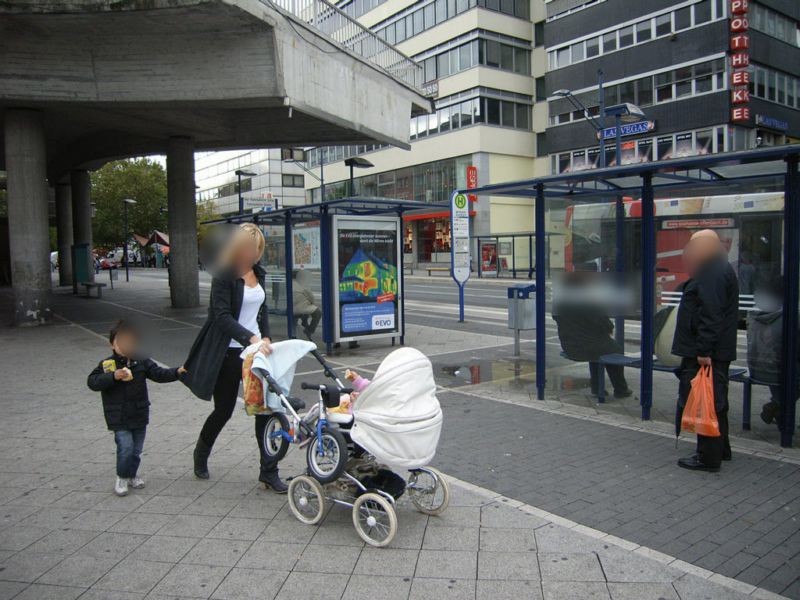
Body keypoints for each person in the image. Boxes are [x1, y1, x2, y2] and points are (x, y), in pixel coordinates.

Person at [182, 223, 302, 493]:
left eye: (256, 248)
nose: (252, 252)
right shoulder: (224, 275)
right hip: (230, 352)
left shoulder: (258, 273)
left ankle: (268, 472)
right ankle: (201, 453)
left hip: (256, 354)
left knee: (264, 410)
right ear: (236, 247)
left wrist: (265, 337)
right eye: (248, 247)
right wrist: (251, 338)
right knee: (223, 410)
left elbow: (262, 311)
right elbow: (221, 317)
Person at [87, 320, 185, 496]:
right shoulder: (107, 365)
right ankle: (122, 477)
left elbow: (159, 374)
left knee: (136, 450)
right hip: (117, 416)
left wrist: (178, 372)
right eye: (121, 342)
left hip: (139, 413)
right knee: (125, 447)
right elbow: (93, 382)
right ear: (112, 344)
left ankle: (131, 474)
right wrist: (114, 376)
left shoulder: (142, 362)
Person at [673, 230, 739, 472]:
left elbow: (711, 314)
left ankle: (707, 457)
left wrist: (703, 350)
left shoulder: (713, 272)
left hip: (707, 353)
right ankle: (721, 449)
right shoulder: (716, 268)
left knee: (706, 403)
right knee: (715, 400)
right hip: (713, 351)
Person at [553, 271, 632, 399]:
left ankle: (596, 387)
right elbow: (606, 325)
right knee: (614, 349)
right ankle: (621, 389)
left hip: (570, 346)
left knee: (596, 350)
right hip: (590, 346)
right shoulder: (588, 302)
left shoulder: (560, 303)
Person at [747, 277, 799, 427]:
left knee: (777, 365)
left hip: (757, 370)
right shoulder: (790, 317)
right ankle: (777, 407)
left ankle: (778, 407)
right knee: (791, 374)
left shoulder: (756, 315)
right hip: (778, 372)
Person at [292, 270, 322, 339]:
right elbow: (311, 297)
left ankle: (304, 323)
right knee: (317, 313)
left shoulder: (288, 284)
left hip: (292, 308)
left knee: (306, 309)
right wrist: (312, 303)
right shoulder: (302, 284)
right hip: (300, 309)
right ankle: (309, 330)